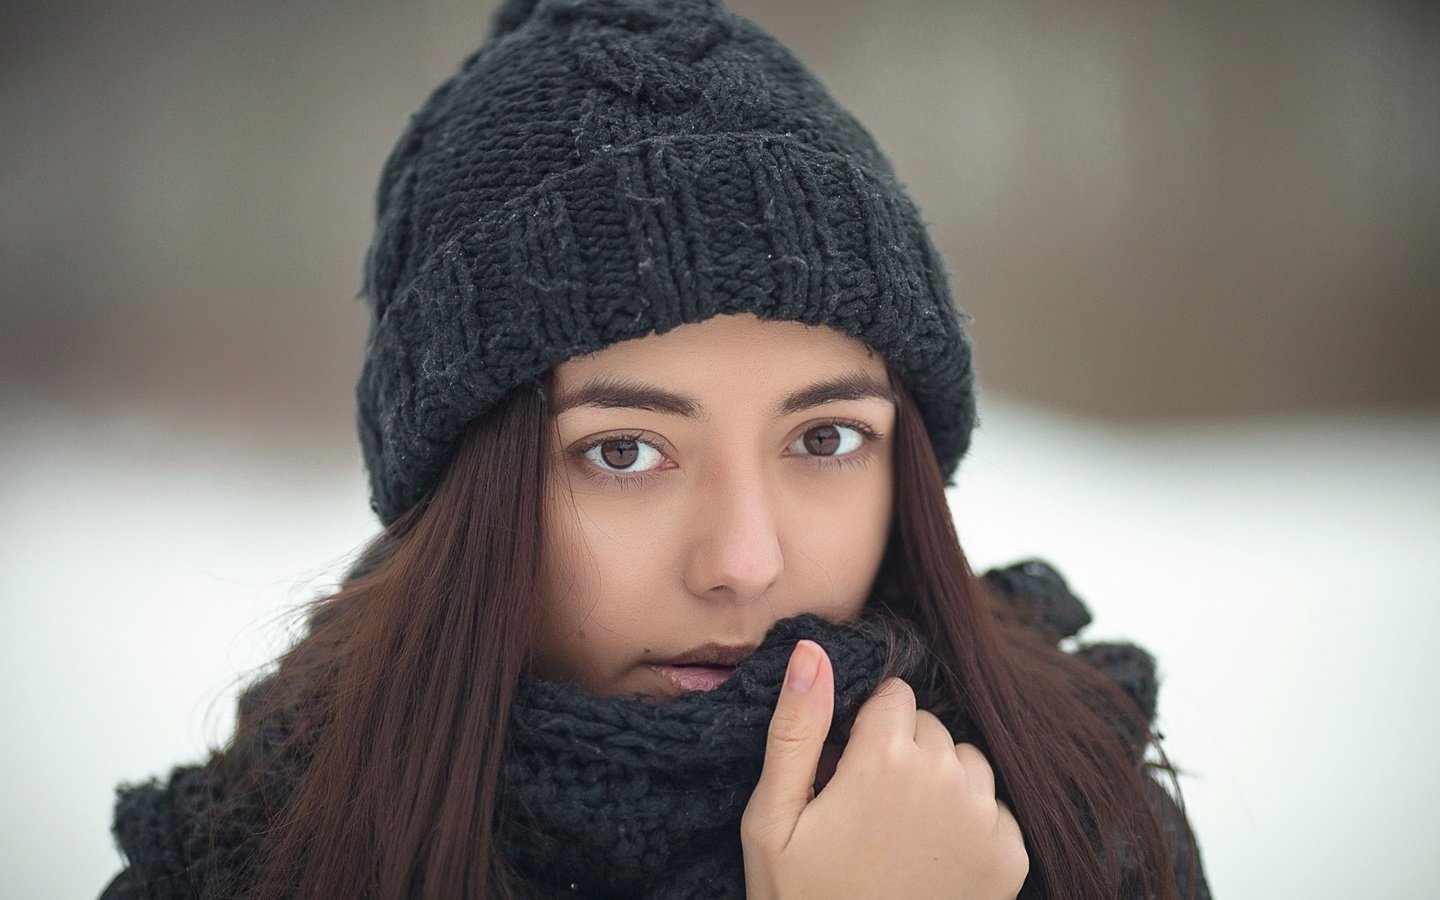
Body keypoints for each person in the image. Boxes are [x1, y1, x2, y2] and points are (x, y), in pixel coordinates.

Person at [101, 0, 1210, 897]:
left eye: (825, 437)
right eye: (624, 452)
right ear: (461, 489)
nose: (742, 563)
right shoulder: (258, 858)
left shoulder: (1071, 825)